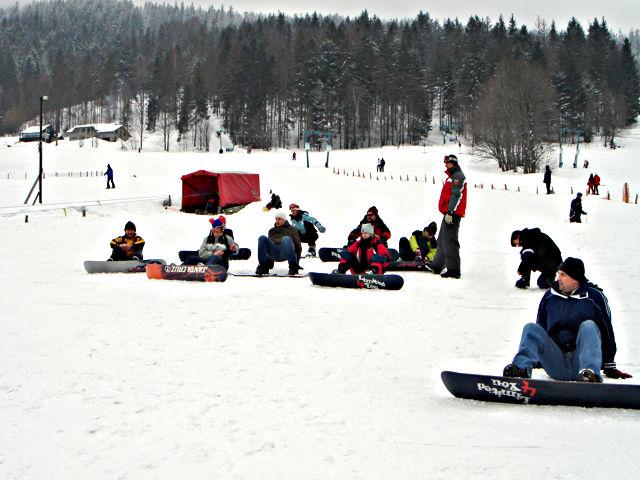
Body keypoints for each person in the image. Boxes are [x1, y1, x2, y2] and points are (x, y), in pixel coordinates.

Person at [503, 257, 632, 383]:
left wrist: (609, 366)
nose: (558, 278)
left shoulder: (594, 297)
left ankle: (590, 373)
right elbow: (541, 330)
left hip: (580, 362)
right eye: (558, 274)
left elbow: (606, 331)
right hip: (555, 363)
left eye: (563, 275)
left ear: (575, 279)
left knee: (589, 326)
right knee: (531, 328)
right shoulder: (549, 296)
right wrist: (537, 359)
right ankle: (520, 370)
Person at [429, 154, 467, 279]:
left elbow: (457, 195)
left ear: (452, 163)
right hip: (448, 213)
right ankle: (437, 265)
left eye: (447, 162)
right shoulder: (452, 177)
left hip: (453, 214)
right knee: (442, 240)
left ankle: (454, 270)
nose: (445, 165)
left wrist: (450, 212)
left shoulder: (458, 177)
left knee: (450, 241)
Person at [256, 210, 302, 275]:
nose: (277, 221)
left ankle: (293, 268)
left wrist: (296, 263)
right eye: (276, 219)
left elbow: (298, 246)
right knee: (262, 238)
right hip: (273, 253)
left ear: (284, 220)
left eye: (279, 219)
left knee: (286, 239)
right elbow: (267, 247)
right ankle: (263, 267)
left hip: (285, 252)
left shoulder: (292, 229)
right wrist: (269, 264)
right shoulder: (272, 230)